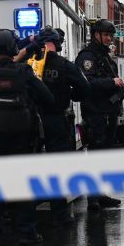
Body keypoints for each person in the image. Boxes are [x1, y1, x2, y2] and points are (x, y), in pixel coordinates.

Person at [0, 29, 54, 245]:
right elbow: (47, 98)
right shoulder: (24, 72)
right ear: (13, 48)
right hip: (21, 138)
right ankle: (27, 231)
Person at [30, 27, 89, 226]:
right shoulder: (64, 65)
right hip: (56, 120)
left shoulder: (29, 64)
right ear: (58, 43)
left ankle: (28, 213)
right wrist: (72, 95)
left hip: (31, 122)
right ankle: (60, 214)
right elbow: (84, 87)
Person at [74, 19, 124, 209]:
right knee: (96, 153)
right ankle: (93, 198)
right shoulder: (88, 57)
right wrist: (112, 83)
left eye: (110, 35)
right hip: (95, 113)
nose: (109, 38)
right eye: (105, 35)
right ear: (96, 35)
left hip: (108, 112)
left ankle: (101, 193)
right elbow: (87, 82)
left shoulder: (105, 57)